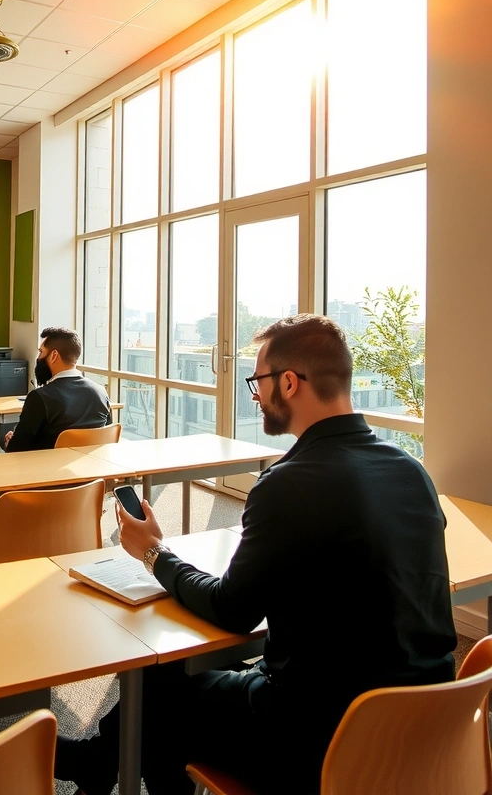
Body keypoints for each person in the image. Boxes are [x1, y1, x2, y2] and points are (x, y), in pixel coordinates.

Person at [55, 314, 456, 795]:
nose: (253, 393)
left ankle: (96, 762)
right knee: (181, 687)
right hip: (426, 726)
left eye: (258, 380)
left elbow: (233, 610)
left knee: (158, 681)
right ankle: (99, 762)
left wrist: (154, 553)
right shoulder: (411, 471)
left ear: (289, 383)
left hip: (319, 739)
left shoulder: (288, 483)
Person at [3, 327, 111, 452]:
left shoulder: (40, 397)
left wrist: (11, 442)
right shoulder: (101, 392)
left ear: (54, 355)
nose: (39, 358)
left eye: (41, 352)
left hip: (47, 470)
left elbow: (16, 450)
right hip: (92, 468)